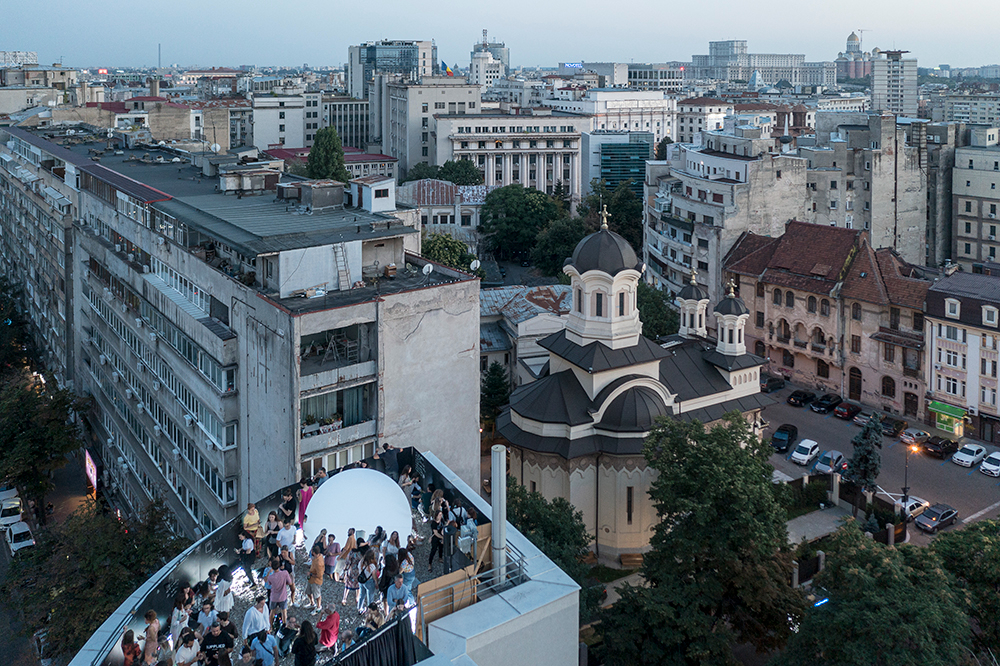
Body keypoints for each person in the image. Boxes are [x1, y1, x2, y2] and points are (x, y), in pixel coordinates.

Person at [266, 557, 295, 625]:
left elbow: (269, 583)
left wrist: (268, 573)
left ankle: (270, 626)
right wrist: (284, 583)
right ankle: (284, 626)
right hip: (282, 596)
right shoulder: (284, 573)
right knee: (284, 612)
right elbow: (290, 583)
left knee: (272, 612)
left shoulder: (271, 577)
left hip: (274, 597)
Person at [357, 548, 379, 613]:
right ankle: (370, 610)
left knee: (362, 595)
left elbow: (359, 570)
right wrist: (376, 583)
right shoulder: (372, 566)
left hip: (361, 581)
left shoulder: (361, 562)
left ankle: (359, 608)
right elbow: (374, 576)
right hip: (369, 582)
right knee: (370, 597)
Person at [305, 543, 325, 613]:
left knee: (317, 595)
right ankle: (312, 603)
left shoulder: (319, 563)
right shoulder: (318, 556)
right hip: (311, 579)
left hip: (316, 581)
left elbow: (319, 575)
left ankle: (319, 607)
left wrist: (310, 574)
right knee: (308, 592)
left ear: (313, 552)